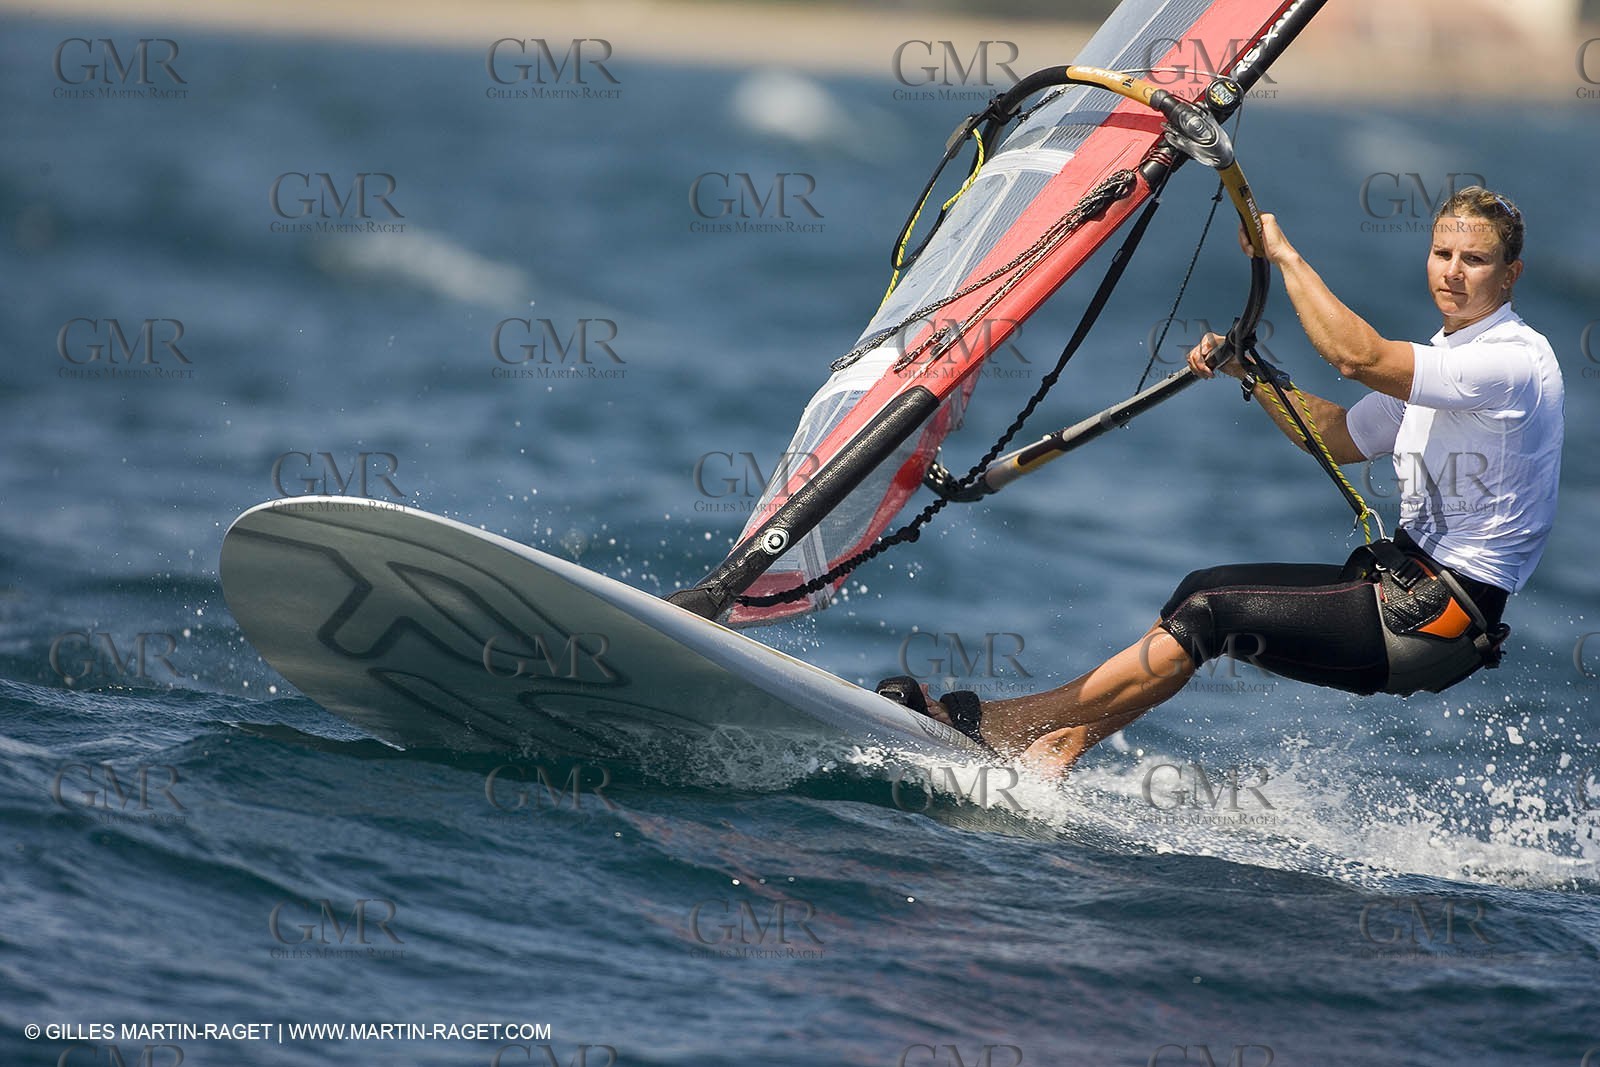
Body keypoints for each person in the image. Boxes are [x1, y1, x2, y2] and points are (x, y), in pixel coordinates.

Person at [878, 187, 1564, 778]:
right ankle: (1062, 745)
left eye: (1474, 260)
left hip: (1431, 620)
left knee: (1210, 605)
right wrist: (1254, 373)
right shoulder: (1447, 359)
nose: (1452, 271)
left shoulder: (1512, 361)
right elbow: (1336, 436)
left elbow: (1356, 357)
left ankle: (998, 726)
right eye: (1443, 254)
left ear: (1510, 275)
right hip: (1403, 596)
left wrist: (1284, 256)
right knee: (1197, 599)